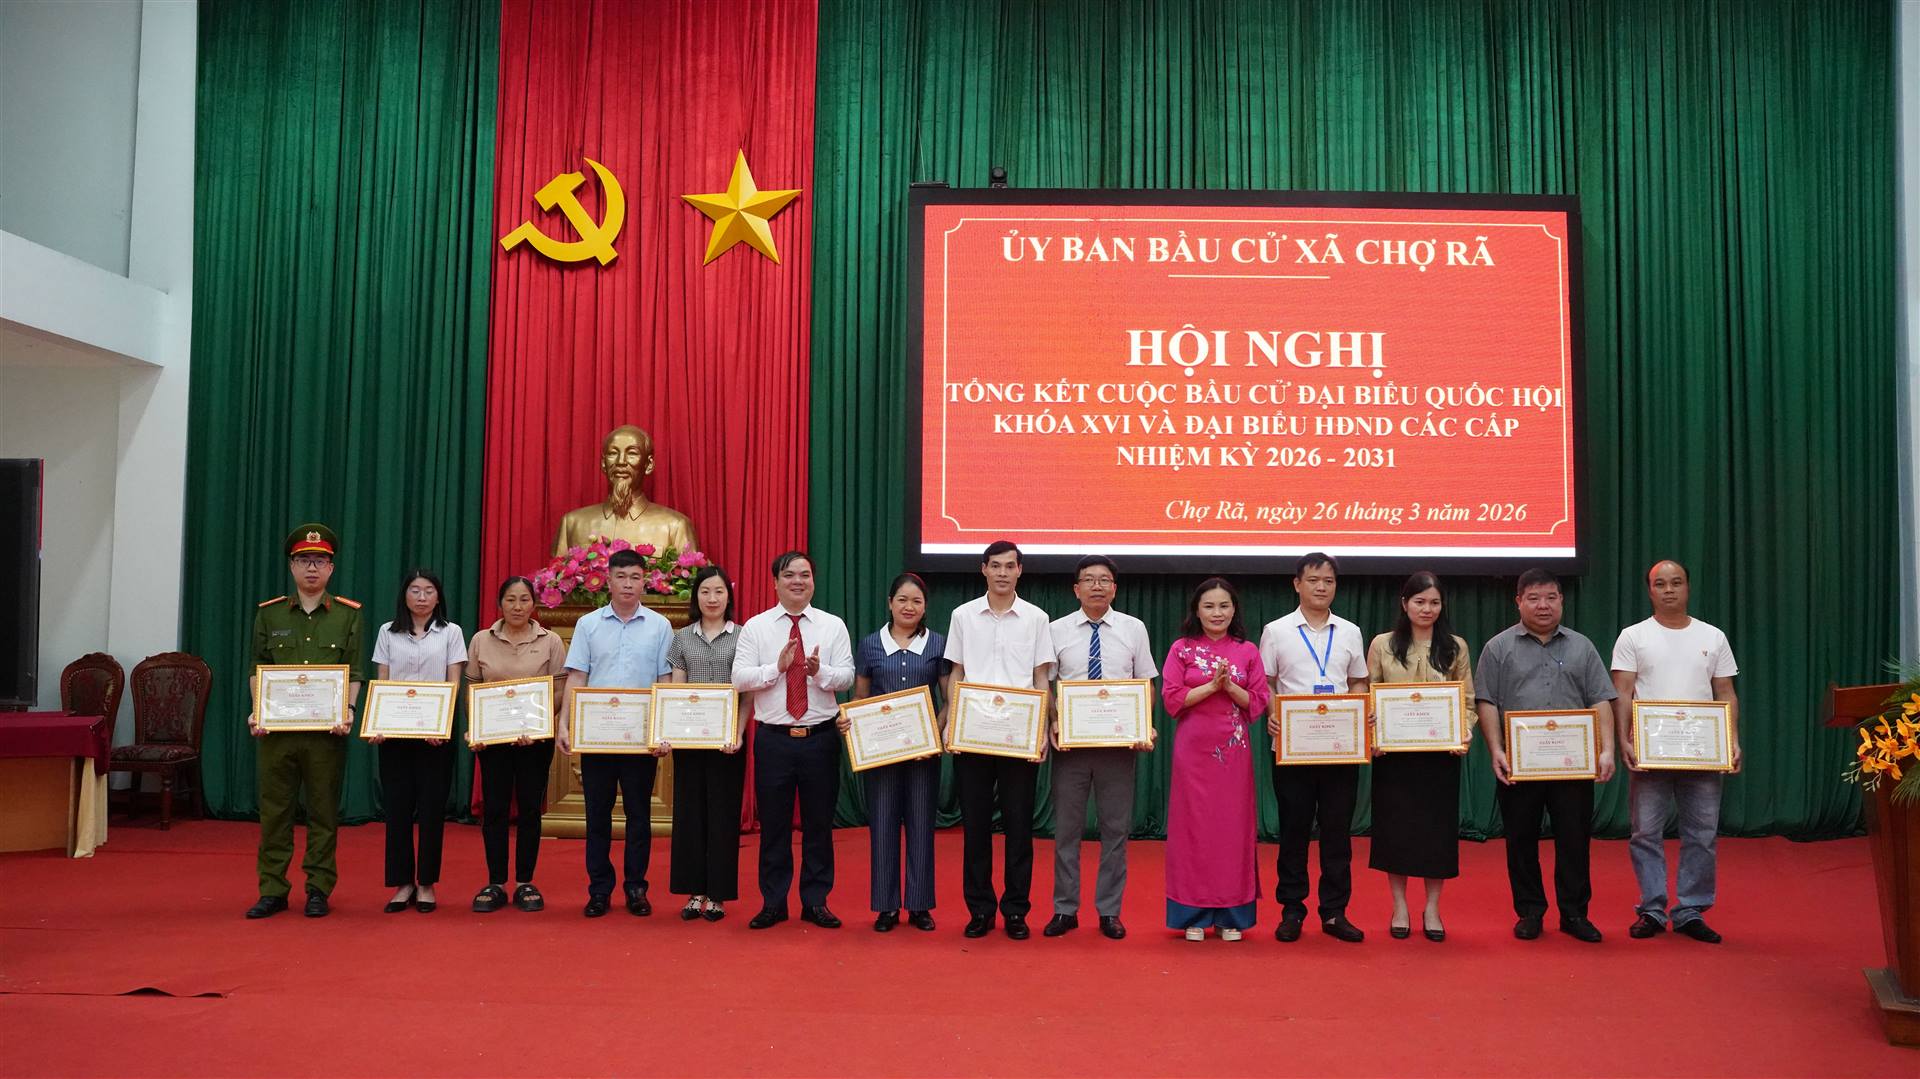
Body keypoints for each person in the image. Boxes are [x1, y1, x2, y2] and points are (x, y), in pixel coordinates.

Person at [1475, 567, 1618, 943]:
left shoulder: (1582, 646)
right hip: (1520, 764)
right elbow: (1486, 701)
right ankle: (1530, 911)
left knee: (1575, 839)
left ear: (1562, 601)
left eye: (1551, 597)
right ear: (1518, 601)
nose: (1543, 605)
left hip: (1573, 765)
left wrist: (1606, 749)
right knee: (1520, 839)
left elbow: (1600, 699)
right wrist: (1496, 750)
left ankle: (1574, 913)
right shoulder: (1498, 648)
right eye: (1534, 598)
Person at [1612, 559, 1740, 944]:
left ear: (1688, 587)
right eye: (1660, 584)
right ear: (1650, 590)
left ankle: (1690, 910)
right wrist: (1623, 739)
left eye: (1676, 582)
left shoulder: (1713, 636)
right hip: (1649, 752)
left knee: (1702, 833)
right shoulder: (1633, 636)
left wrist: (1731, 740)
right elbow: (1622, 693)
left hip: (1703, 752)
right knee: (1645, 832)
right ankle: (1652, 909)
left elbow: (1725, 692)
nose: (1669, 590)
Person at [245, 523, 363, 920]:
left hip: (326, 734)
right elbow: (257, 668)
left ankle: (318, 888)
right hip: (277, 733)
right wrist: (258, 710)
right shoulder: (269, 613)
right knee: (274, 812)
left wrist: (348, 711)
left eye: (320, 561)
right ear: (292, 566)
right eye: (304, 560)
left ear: (331, 568)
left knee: (323, 812)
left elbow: (355, 672)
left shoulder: (348, 615)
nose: (312, 568)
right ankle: (272, 889)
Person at [731, 551, 855, 930]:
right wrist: (777, 668)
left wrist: (820, 672)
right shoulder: (756, 628)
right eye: (789, 575)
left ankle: (816, 902)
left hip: (820, 738)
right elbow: (739, 678)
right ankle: (774, 902)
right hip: (774, 741)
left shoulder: (832, 626)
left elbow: (847, 676)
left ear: (813, 581)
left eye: (804, 575)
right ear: (775, 583)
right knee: (774, 826)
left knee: (819, 825)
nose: (797, 581)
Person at [943, 540, 1055, 940]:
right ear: (984, 570)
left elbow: (1041, 678)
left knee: (1019, 826)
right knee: (974, 827)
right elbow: (956, 672)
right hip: (973, 733)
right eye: (996, 566)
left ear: (1020, 570)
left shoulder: (1037, 618)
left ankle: (1016, 910)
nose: (1003, 573)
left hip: (1018, 735)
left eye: (1010, 566)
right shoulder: (962, 615)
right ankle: (980, 909)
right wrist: (951, 722)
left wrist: (1041, 731)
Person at [1258, 552, 1370, 943]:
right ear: (1297, 584)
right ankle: (1292, 910)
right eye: (1313, 580)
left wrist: (1358, 708)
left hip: (1340, 747)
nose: (1321, 587)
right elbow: (1266, 682)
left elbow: (1358, 681)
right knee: (1294, 830)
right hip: (1293, 747)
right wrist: (1273, 713)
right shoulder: (1276, 631)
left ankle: (1335, 912)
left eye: (1329, 581)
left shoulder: (1351, 631)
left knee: (1338, 832)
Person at [1045, 555, 1156, 940]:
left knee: (1115, 831)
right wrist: (1054, 720)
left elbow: (1146, 682)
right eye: (1089, 580)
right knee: (1067, 830)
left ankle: (1109, 911)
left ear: (1114, 588)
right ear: (1076, 589)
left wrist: (1143, 725)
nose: (1097, 586)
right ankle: (1065, 909)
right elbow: (1046, 684)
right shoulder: (1056, 629)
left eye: (1104, 580)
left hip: (1117, 747)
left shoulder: (1133, 628)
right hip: (1071, 747)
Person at [557, 549, 673, 918]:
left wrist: (663, 730)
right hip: (598, 737)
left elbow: (665, 681)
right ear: (607, 580)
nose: (627, 584)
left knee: (639, 816)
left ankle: (636, 888)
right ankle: (599, 890)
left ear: (645, 582)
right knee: (597, 815)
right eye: (621, 577)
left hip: (640, 739)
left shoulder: (660, 626)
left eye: (635, 577)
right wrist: (564, 723)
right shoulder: (588, 624)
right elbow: (577, 676)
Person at [1366, 571, 1474, 942]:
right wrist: (1373, 736)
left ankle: (1432, 908)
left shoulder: (1455, 646)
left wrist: (1463, 732)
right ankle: (1399, 906)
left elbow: (1467, 701)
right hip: (1393, 757)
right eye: (1419, 601)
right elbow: (1369, 696)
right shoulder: (1383, 644)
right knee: (1395, 833)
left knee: (1436, 835)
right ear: (1404, 603)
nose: (1427, 609)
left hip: (1440, 756)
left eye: (1434, 602)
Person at [1163, 577, 1270, 941]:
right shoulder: (1181, 649)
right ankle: (1191, 914)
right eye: (1209, 606)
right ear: (1197, 610)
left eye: (1224, 605)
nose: (1217, 613)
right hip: (1192, 751)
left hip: (1233, 753)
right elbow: (1172, 699)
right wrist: (1211, 686)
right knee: (1192, 829)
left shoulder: (1247, 651)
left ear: (1234, 609)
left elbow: (1258, 702)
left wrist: (1230, 686)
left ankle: (1230, 915)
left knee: (1231, 829)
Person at [840, 572, 949, 932]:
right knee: (884, 825)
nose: (909, 606)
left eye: (917, 601)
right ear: (889, 603)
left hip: (923, 755)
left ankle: (919, 905)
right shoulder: (871, 645)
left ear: (925, 607)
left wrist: (933, 733)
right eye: (902, 599)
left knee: (921, 825)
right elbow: (860, 698)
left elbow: (949, 699)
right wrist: (850, 721)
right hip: (881, 754)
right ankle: (886, 906)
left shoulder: (938, 644)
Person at [466, 575, 568, 913]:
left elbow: (559, 690)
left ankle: (525, 881)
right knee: (494, 809)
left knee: (529, 809)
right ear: (500, 604)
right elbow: (472, 689)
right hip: (493, 740)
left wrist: (537, 723)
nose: (517, 606)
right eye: (510, 599)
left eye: (524, 599)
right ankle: (495, 881)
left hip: (534, 740)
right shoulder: (481, 640)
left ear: (534, 604)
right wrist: (477, 728)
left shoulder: (551, 641)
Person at [368, 569, 466, 914]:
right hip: (394, 734)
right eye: (414, 590)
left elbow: (454, 683)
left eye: (428, 591)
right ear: (404, 595)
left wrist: (442, 726)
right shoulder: (387, 631)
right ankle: (402, 883)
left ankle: (426, 883)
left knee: (431, 810)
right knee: (396, 809)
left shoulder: (452, 632)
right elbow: (382, 682)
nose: (421, 597)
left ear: (438, 597)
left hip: (434, 736)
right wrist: (377, 723)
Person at [664, 565, 747, 922]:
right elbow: (676, 689)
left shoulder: (743, 636)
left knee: (723, 815)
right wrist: (670, 731)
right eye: (705, 592)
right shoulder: (682, 638)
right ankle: (694, 891)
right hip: (689, 740)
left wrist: (738, 733)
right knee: (690, 814)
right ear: (696, 597)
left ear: (729, 597)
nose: (712, 599)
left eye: (719, 591)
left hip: (728, 741)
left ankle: (718, 894)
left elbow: (747, 694)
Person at [551, 425, 699, 555]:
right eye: (613, 453)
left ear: (648, 465)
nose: (621, 462)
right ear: (603, 463)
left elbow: (690, 576)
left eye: (632, 453)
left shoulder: (675, 526)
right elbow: (556, 575)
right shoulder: (572, 523)